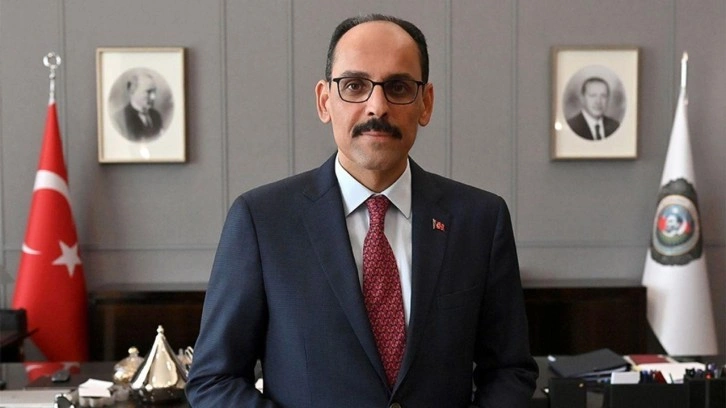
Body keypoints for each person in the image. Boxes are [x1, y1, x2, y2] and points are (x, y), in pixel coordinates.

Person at [186, 14, 538, 407]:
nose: (377, 107)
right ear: (325, 101)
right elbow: (214, 379)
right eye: (355, 85)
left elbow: (509, 370)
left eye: (398, 87)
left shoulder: (480, 220)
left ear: (425, 104)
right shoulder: (262, 221)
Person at [112, 72, 163, 141]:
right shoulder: (119, 119)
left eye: (154, 92)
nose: (153, 97)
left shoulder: (156, 116)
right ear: (132, 91)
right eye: (148, 92)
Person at [566, 76, 620, 140]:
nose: (598, 101)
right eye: (593, 95)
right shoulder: (571, 126)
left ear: (608, 99)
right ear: (582, 98)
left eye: (603, 96)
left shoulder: (615, 126)